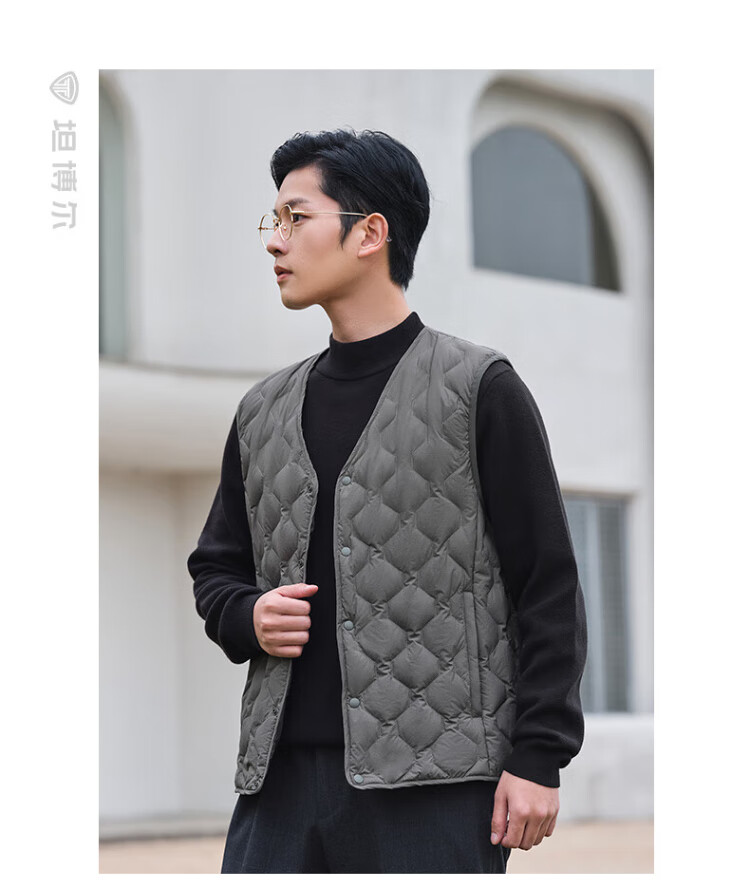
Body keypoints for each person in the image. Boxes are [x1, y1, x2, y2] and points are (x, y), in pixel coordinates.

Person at [187, 128, 587, 874]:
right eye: (273, 219)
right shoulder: (262, 410)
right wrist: (247, 615)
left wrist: (540, 754)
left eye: (296, 217)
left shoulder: (479, 388)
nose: (274, 240)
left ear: (370, 233)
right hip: (277, 788)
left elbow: (547, 584)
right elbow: (215, 569)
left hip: (436, 788)